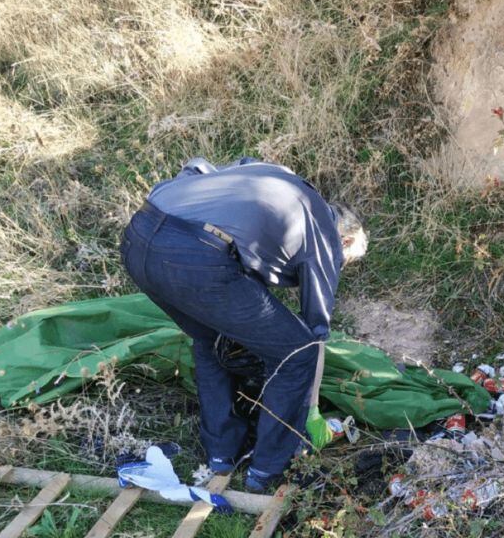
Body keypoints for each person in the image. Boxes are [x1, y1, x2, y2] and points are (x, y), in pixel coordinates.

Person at [120, 157, 367, 493]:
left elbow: (197, 167)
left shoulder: (275, 177)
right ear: (346, 241)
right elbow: (313, 334)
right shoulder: (322, 224)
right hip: (198, 256)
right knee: (296, 353)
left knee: (209, 338)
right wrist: (310, 410)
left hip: (140, 237)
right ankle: (267, 470)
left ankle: (222, 454)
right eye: (344, 262)